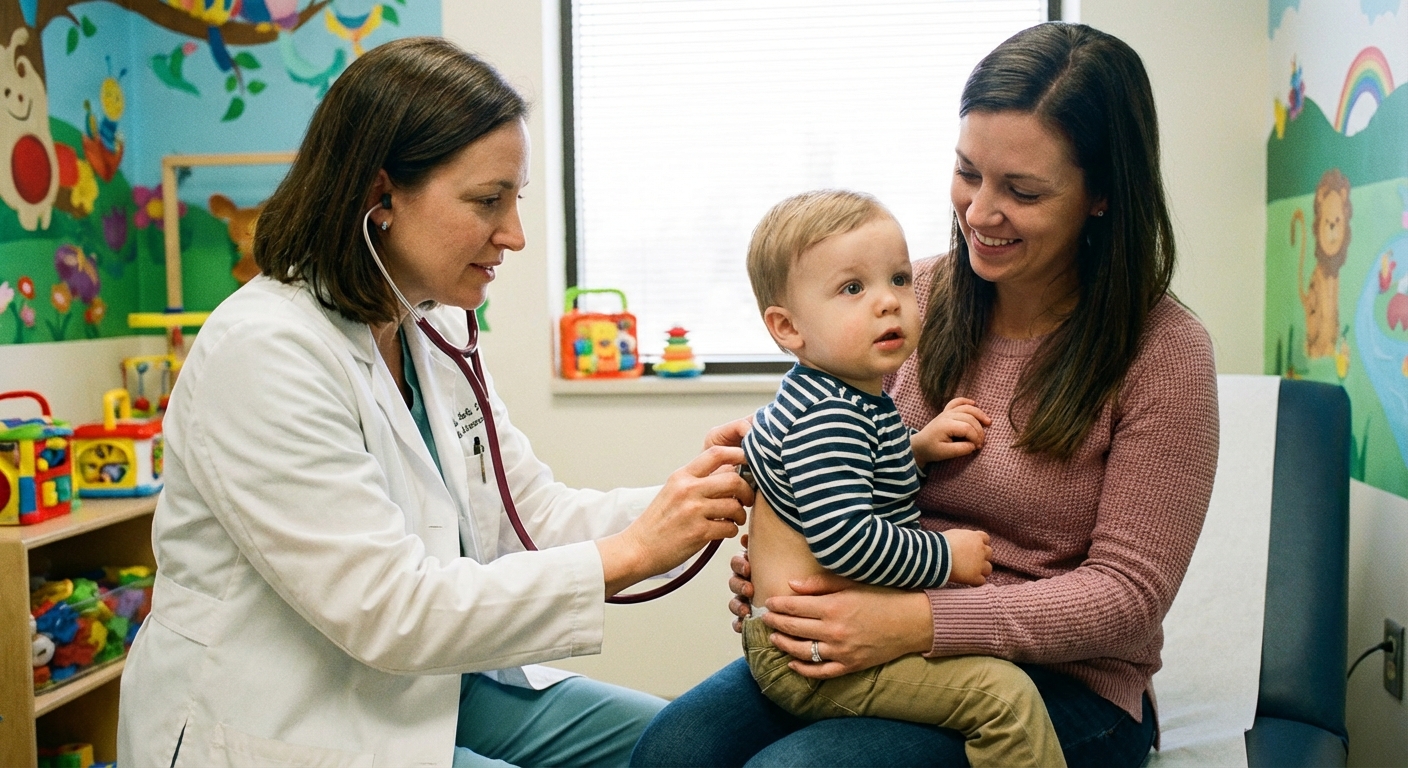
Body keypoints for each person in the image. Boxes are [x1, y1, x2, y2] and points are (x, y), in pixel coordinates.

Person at [117, 37, 753, 768]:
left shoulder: (431, 324)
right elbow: (389, 610)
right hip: (290, 712)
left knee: (689, 746)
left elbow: (528, 516)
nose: (513, 235)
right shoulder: (263, 352)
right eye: (488, 202)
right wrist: (635, 551)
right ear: (379, 195)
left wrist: (706, 493)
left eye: (514, 200)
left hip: (426, 685)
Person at [632, 21, 1219, 768]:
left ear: (1102, 195)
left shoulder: (1162, 351)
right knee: (670, 751)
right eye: (968, 172)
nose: (978, 212)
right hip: (870, 624)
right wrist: (792, 555)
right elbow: (852, 464)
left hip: (1060, 684)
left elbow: (1127, 598)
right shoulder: (913, 295)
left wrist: (915, 620)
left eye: (1023, 191)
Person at [736, 189, 1065, 768]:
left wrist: (916, 449)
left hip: (819, 634)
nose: (888, 302)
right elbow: (848, 540)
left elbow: (858, 475)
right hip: (811, 653)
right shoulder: (830, 416)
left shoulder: (841, 395)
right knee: (1005, 699)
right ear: (787, 327)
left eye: (899, 279)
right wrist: (946, 556)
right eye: (852, 289)